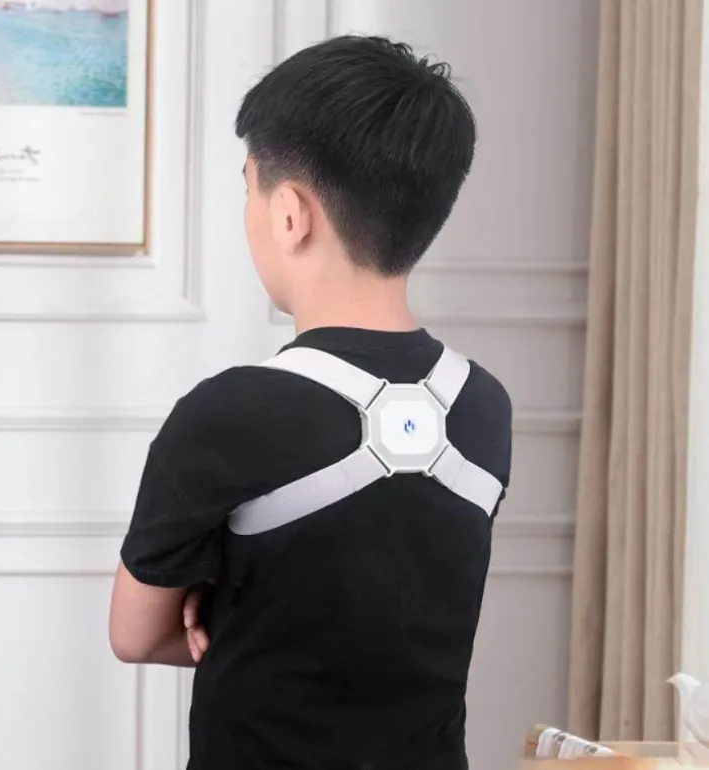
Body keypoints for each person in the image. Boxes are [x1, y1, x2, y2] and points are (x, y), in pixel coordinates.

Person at [109, 34, 512, 770]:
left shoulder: (228, 414)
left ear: (291, 213)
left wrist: (216, 607)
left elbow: (137, 635)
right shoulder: (484, 406)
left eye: (249, 189)